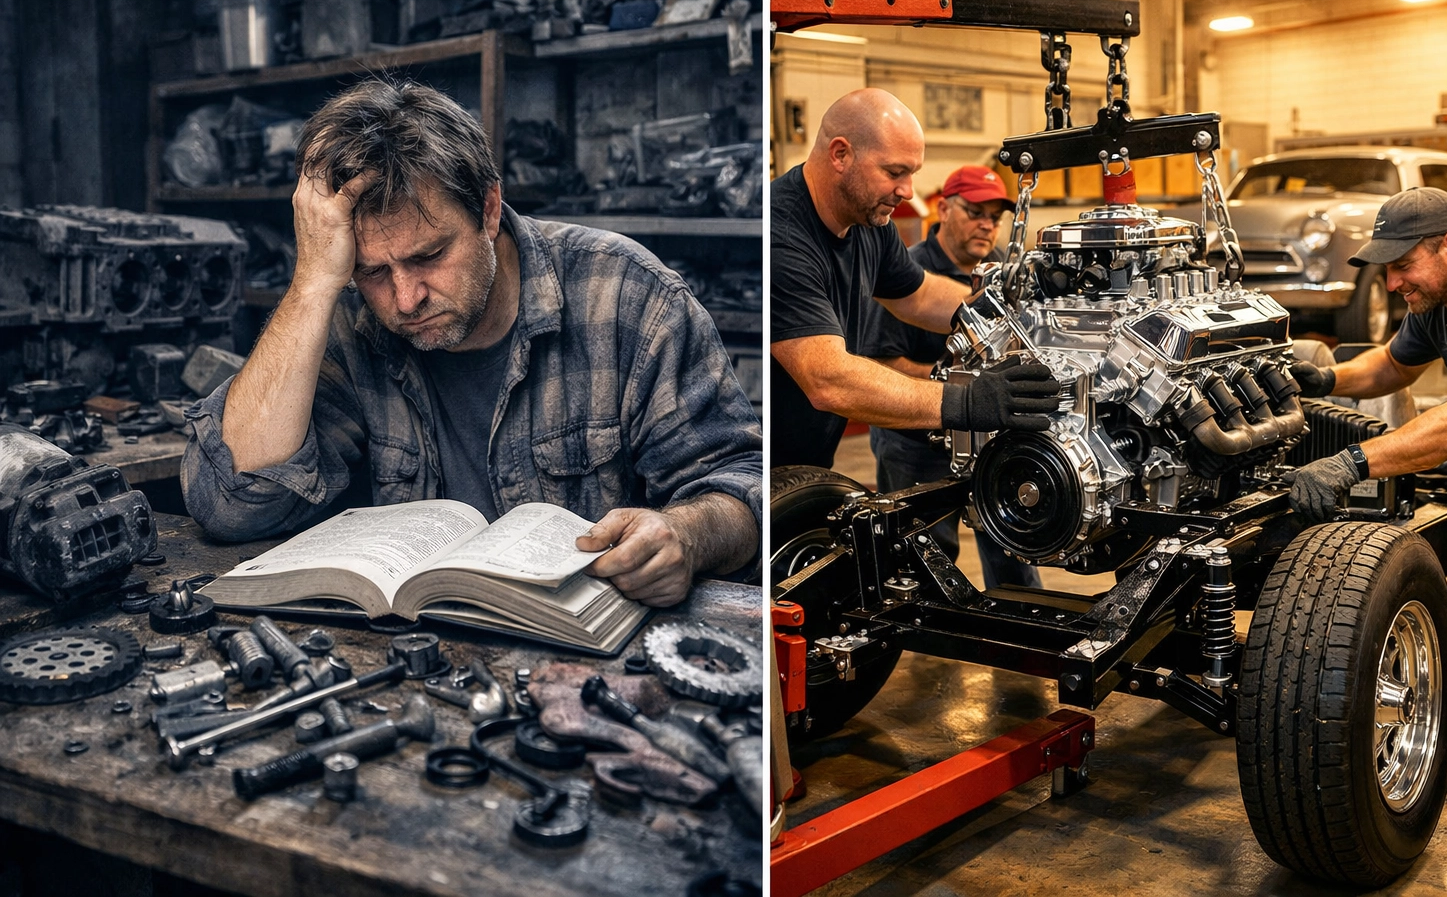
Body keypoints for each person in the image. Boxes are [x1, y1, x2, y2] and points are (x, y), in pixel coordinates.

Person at [182, 81, 761, 608]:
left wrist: (685, 534)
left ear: (487, 209)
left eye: (429, 256)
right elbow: (229, 503)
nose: (405, 299)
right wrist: (313, 283)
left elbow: (745, 481)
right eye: (373, 271)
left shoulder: (626, 297)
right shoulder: (348, 318)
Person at [1286, 186, 1447, 803]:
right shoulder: (1441, 297)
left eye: (1402, 265)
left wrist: (1351, 463)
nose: (1394, 282)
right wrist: (1325, 377)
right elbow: (1393, 367)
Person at [771, 88, 1059, 472]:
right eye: (894, 172)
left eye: (912, 174)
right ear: (840, 154)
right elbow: (827, 378)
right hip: (759, 466)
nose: (907, 191)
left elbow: (919, 296)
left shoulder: (868, 220)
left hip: (811, 460)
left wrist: (1017, 317)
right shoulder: (781, 236)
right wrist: (967, 401)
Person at [862, 165, 1042, 589]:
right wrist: (963, 388)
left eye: (995, 217)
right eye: (976, 211)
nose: (987, 225)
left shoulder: (1002, 273)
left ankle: (1021, 638)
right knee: (924, 561)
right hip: (917, 444)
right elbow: (880, 367)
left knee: (1013, 545)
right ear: (943, 209)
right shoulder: (905, 273)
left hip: (990, 436)